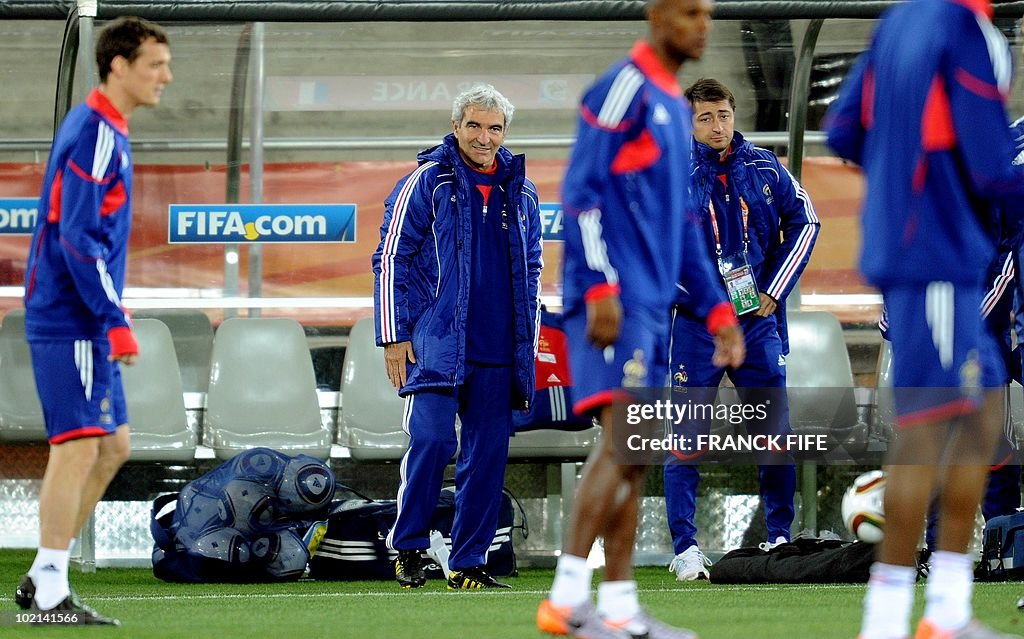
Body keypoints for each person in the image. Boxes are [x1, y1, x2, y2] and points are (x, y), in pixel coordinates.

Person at [536, 1, 745, 637]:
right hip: (616, 302)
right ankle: (568, 598)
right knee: (625, 442)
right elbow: (582, 190)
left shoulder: (673, 108)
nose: (703, 24)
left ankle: (621, 609)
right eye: (689, 12)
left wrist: (717, 311)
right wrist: (598, 284)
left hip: (654, 308)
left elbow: (683, 227)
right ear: (657, 16)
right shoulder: (622, 86)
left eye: (709, 13)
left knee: (634, 454)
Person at [825, 0, 1024, 637]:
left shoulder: (897, 24)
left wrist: (900, 176)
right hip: (935, 249)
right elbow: (994, 166)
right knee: (933, 423)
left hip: (929, 247)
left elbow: (843, 130)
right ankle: (888, 617)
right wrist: (926, 187)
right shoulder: (968, 30)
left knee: (980, 412)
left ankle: (946, 609)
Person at [12, 16, 172, 625]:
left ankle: (41, 576)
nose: (166, 76)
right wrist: (113, 319)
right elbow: (78, 238)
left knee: (112, 445)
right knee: (78, 446)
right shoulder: (96, 132)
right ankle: (50, 592)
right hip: (70, 315)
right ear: (119, 66)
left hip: (78, 313)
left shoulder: (108, 129)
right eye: (155, 64)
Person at [371, 84, 542, 590]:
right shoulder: (426, 182)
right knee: (432, 440)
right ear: (456, 127)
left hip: (499, 350)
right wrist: (393, 335)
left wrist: (527, 350)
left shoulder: (523, 190)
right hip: (436, 345)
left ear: (505, 133)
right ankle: (408, 548)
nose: (484, 137)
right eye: (474, 125)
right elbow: (390, 259)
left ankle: (469, 563)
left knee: (487, 458)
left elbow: (531, 270)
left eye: (494, 128)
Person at [665, 78, 819, 581]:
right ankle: (685, 548)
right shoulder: (670, 175)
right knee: (685, 434)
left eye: (724, 115)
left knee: (773, 433)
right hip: (697, 327)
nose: (717, 126)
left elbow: (808, 221)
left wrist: (774, 290)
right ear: (689, 122)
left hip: (756, 322)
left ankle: (778, 536)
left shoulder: (765, 167)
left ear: (734, 114)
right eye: (705, 117)